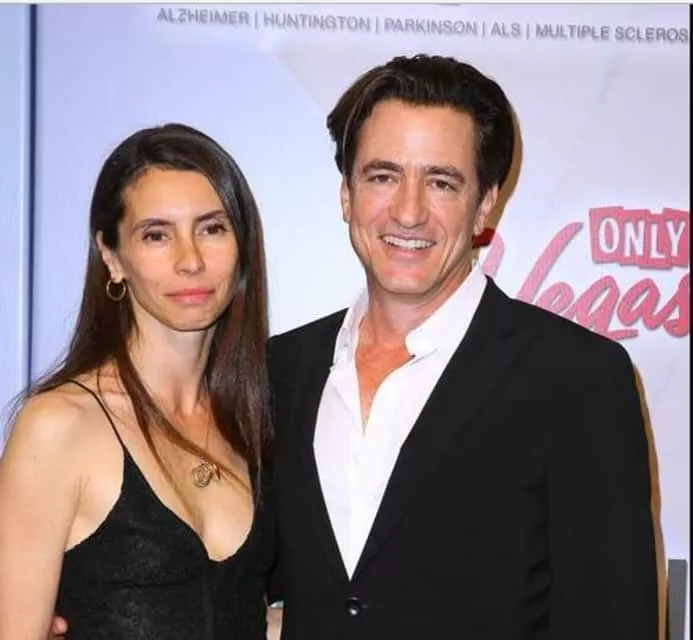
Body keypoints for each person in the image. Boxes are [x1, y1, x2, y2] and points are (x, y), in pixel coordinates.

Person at [267, 54, 659, 639]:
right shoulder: (279, 370)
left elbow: (613, 620)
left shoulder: (577, 378)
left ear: (484, 204)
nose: (408, 211)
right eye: (382, 176)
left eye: (441, 182)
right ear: (347, 194)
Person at [0, 123, 276, 639]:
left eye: (212, 229)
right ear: (111, 256)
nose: (190, 260)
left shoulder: (257, 417)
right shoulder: (59, 426)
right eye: (156, 235)